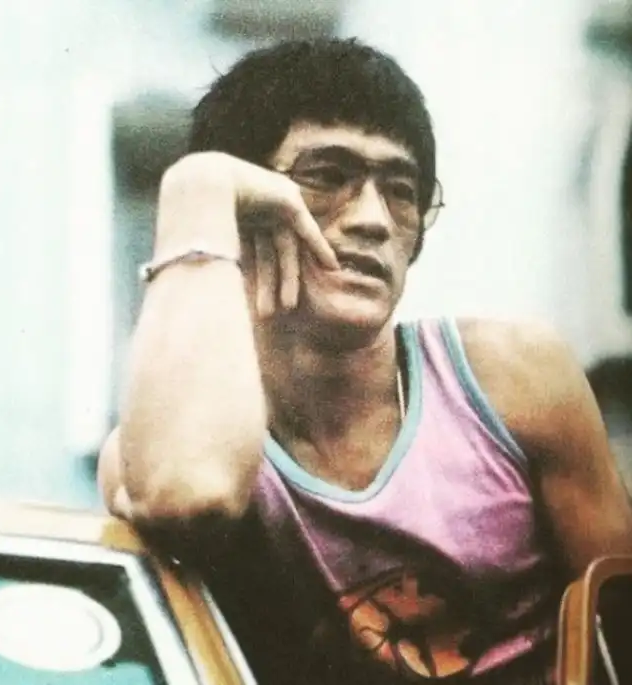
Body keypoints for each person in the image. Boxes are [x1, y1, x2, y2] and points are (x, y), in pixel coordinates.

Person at [98, 38, 632, 684]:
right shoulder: (168, 447)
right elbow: (189, 493)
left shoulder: (512, 378)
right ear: (247, 205)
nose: (374, 219)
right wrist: (195, 195)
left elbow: (624, 621)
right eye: (327, 176)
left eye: (401, 190)